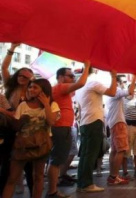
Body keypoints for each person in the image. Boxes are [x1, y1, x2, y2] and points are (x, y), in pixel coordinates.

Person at [1, 79, 60, 198]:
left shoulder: (53, 105)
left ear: (43, 90)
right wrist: (21, 120)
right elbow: (16, 126)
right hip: (22, 145)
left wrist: (46, 104)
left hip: (41, 145)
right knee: (12, 177)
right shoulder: (23, 105)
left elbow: (51, 121)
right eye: (30, 87)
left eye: (35, 87)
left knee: (38, 177)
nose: (31, 90)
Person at [46, 62, 90, 198]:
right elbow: (81, 84)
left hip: (60, 126)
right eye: (70, 76)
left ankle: (53, 188)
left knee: (56, 160)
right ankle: (52, 191)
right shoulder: (60, 87)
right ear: (60, 77)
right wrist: (87, 67)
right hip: (61, 127)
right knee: (56, 160)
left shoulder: (60, 89)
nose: (73, 78)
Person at [75, 67, 117, 193]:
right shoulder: (93, 83)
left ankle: (82, 183)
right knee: (90, 154)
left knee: (85, 155)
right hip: (94, 121)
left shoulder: (79, 86)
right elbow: (112, 92)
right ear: (96, 71)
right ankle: (86, 184)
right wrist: (113, 76)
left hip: (85, 122)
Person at [1, 42, 35, 196]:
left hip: (25, 130)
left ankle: (32, 190)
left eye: (27, 77)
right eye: (21, 75)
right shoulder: (10, 85)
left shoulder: (31, 91)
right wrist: (12, 49)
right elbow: (4, 68)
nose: (23, 78)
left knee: (28, 163)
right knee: (7, 160)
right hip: (9, 128)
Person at [105, 75, 136, 185]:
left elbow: (130, 95)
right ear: (117, 82)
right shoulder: (116, 90)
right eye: (123, 81)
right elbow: (130, 92)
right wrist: (135, 77)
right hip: (118, 122)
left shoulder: (111, 92)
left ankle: (113, 176)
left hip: (113, 123)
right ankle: (113, 177)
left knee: (114, 151)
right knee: (121, 150)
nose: (124, 84)